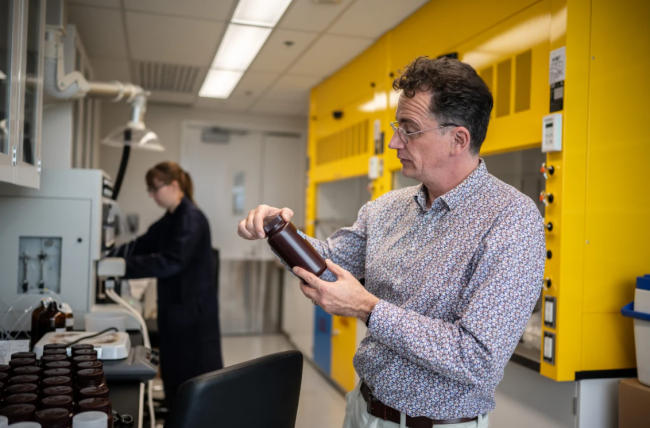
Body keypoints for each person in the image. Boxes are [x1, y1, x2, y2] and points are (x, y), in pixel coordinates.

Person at [238, 57, 545, 428]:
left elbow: (476, 356)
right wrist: (276, 230)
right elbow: (328, 263)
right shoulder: (387, 208)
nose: (395, 141)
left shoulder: (511, 219)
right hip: (362, 410)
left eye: (410, 129)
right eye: (397, 126)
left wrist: (369, 309)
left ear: (458, 139)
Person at [113, 161, 223, 409]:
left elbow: (171, 262)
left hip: (192, 317)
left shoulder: (191, 219)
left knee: (194, 385)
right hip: (176, 312)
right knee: (176, 379)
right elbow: (143, 243)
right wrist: (111, 254)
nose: (152, 195)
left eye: (155, 188)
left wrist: (122, 268)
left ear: (174, 186)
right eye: (149, 190)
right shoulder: (172, 218)